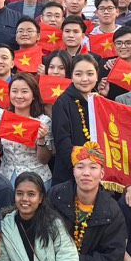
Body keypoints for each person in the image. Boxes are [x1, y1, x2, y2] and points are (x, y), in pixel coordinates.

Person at [45, 143, 125, 261]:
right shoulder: (57, 195)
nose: (86, 173)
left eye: (93, 167)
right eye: (80, 167)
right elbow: (44, 237)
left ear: (102, 174)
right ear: (73, 171)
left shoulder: (112, 209)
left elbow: (114, 258)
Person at [0, 73, 53, 183]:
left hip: (36, 177)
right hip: (6, 175)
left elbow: (44, 160)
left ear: (33, 95)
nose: (19, 96)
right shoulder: (1, 116)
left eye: (24, 91)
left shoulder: (43, 122)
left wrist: (41, 140)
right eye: (14, 91)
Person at [49, 54, 102, 183]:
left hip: (98, 172)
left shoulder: (100, 101)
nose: (84, 79)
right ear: (71, 76)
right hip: (70, 174)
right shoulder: (62, 103)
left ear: (97, 76)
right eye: (78, 74)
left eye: (90, 74)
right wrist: (82, 168)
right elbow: (62, 141)